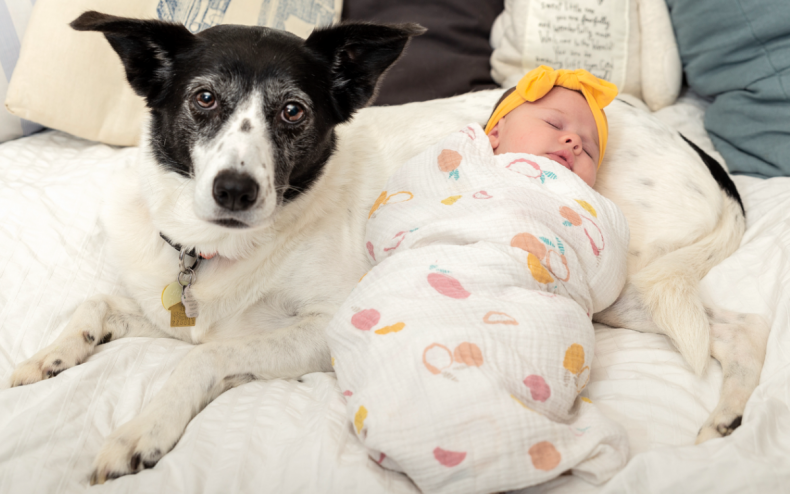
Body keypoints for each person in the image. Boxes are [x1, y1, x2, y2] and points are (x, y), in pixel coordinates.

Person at [326, 66, 630, 494]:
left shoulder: (587, 203)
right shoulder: (456, 161)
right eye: (554, 124)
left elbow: (604, 276)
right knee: (396, 317)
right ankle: (430, 414)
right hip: (431, 270)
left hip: (532, 292)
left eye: (590, 150)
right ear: (495, 134)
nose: (574, 141)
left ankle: (482, 432)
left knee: (537, 340)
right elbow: (396, 209)